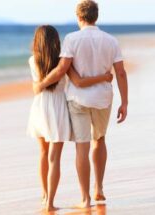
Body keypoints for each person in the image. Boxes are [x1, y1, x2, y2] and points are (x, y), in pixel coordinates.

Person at [33, 0, 128, 208]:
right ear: (96, 16)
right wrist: (125, 103)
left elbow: (61, 70)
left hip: (78, 100)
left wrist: (41, 84)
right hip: (103, 99)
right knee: (100, 139)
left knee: (81, 148)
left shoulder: (72, 39)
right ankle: (99, 188)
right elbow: (120, 72)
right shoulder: (111, 41)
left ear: (78, 17)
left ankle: (85, 199)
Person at [27, 25, 113, 212]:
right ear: (56, 41)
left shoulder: (32, 60)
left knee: (43, 153)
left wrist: (40, 85)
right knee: (54, 157)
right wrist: (104, 76)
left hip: (39, 108)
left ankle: (44, 195)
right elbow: (79, 82)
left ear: (36, 42)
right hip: (57, 108)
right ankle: (50, 202)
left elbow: (36, 85)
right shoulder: (63, 62)